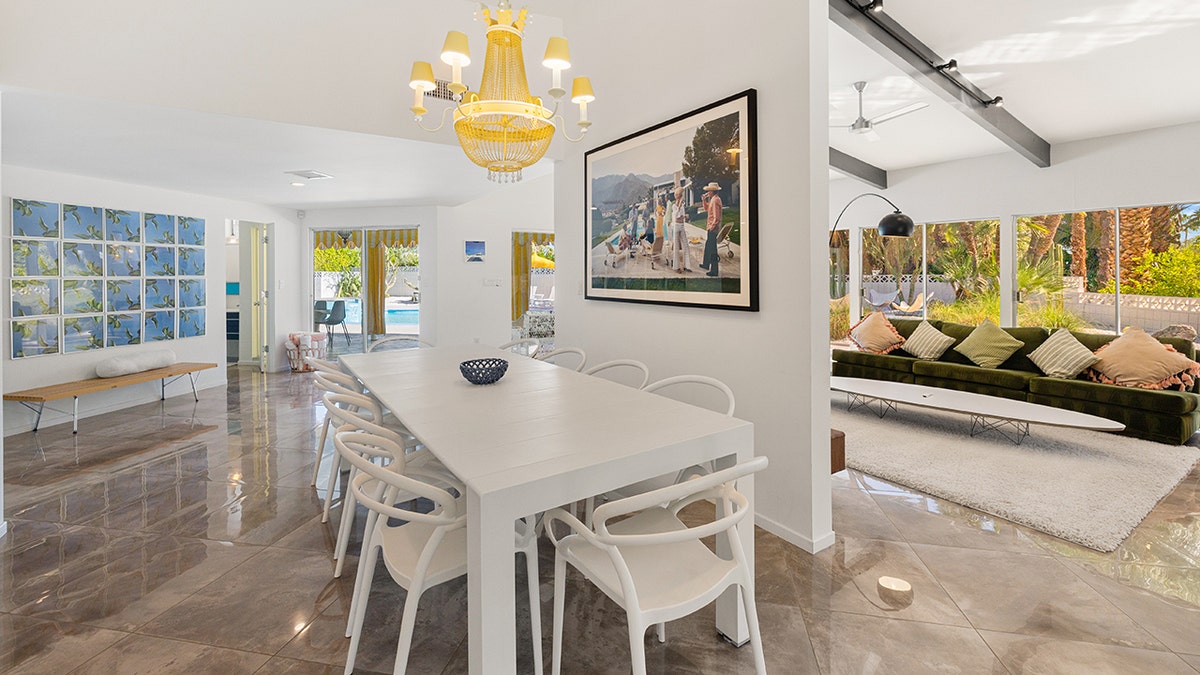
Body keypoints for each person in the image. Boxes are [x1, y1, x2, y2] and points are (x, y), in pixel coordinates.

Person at [700, 182, 722, 277]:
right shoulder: (713, 199)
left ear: (712, 191)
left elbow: (716, 217)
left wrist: (712, 227)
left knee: (712, 249)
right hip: (711, 227)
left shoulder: (716, 200)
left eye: (709, 191)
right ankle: (705, 264)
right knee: (708, 246)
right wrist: (704, 200)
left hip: (713, 228)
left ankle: (714, 271)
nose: (707, 192)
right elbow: (706, 209)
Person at [670, 187, 692, 273]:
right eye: (680, 196)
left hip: (682, 225)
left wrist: (685, 216)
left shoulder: (681, 206)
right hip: (676, 226)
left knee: (686, 245)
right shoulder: (674, 206)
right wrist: (679, 207)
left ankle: (687, 266)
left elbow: (681, 216)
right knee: (676, 247)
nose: (681, 198)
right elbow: (676, 216)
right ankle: (676, 267)